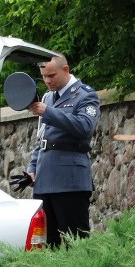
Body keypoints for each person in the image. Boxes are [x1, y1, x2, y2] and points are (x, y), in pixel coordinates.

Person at [24, 54, 99, 246]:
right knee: (46, 244)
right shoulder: (48, 97)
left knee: (76, 242)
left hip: (70, 180)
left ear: (65, 70)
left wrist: (48, 112)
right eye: (44, 76)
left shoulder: (85, 94)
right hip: (44, 180)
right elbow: (41, 137)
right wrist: (32, 169)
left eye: (51, 75)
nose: (47, 81)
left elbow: (85, 127)